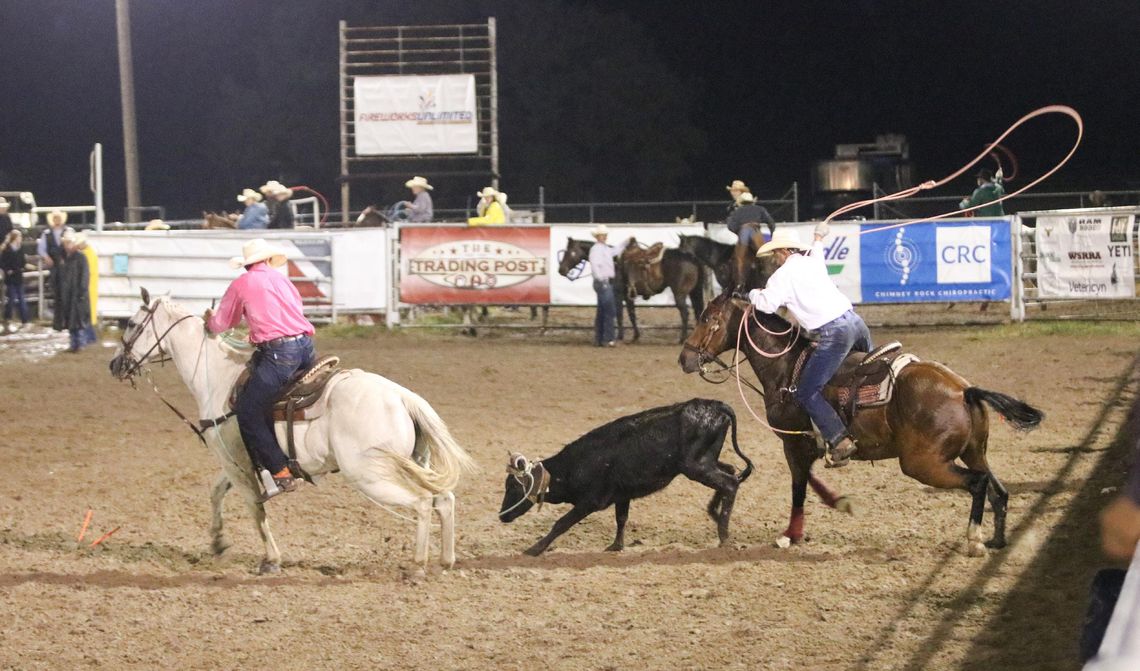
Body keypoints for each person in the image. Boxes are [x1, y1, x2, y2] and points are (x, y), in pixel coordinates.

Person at [747, 225, 871, 467]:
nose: (774, 259)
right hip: (856, 324)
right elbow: (818, 248)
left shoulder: (781, 276)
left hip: (836, 333)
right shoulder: (812, 262)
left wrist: (753, 293)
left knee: (807, 391)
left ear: (782, 251)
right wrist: (818, 236)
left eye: (775, 254)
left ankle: (839, 439)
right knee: (869, 373)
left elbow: (766, 306)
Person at [205, 238, 316, 495]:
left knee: (248, 410)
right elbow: (292, 311)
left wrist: (210, 321)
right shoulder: (282, 280)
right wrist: (258, 333)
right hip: (306, 347)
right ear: (267, 260)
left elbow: (223, 323)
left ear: (246, 265)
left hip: (280, 355)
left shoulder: (242, 283)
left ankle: (279, 471)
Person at [587, 225, 633, 347]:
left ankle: (600, 338)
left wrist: (624, 243)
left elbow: (615, 251)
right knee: (609, 310)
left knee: (603, 310)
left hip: (603, 282)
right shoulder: (597, 249)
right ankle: (608, 338)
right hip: (603, 282)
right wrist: (601, 279)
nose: (605, 236)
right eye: (603, 234)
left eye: (605, 234)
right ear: (598, 236)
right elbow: (595, 265)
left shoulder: (603, 248)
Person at [726, 191, 776, 291]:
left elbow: (730, 225)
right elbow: (771, 222)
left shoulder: (737, 211)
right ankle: (769, 275)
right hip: (755, 231)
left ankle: (739, 283)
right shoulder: (760, 209)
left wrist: (738, 231)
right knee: (764, 255)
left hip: (743, 231)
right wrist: (771, 233)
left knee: (740, 258)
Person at [36, 210, 72, 330]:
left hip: (66, 267)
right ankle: (58, 324)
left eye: (58, 217)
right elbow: (41, 249)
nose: (57, 220)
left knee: (66, 295)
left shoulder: (68, 231)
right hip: (55, 268)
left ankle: (66, 322)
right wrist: (46, 257)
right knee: (57, 295)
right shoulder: (47, 233)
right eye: (55, 218)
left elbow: (73, 245)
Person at [58, 230, 91, 352]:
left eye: (69, 243)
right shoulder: (67, 258)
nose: (67, 246)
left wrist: (82, 291)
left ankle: (80, 343)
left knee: (78, 319)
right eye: (66, 243)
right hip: (69, 294)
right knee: (72, 319)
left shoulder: (81, 258)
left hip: (77, 293)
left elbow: (85, 276)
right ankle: (74, 343)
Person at [1, 229, 31, 331]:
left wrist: (19, 268)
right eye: (19, 237)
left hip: (18, 276)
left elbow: (23, 262)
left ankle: (24, 320)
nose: (20, 239)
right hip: (11, 277)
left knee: (21, 299)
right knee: (12, 298)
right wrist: (8, 270)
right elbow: (3, 263)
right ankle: (8, 318)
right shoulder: (7, 249)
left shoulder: (20, 248)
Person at [77, 233, 99, 344]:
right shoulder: (89, 253)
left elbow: (86, 273)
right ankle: (91, 336)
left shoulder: (86, 255)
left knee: (85, 312)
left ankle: (87, 337)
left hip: (87, 287)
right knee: (87, 313)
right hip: (90, 286)